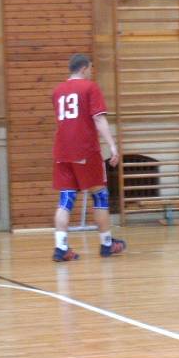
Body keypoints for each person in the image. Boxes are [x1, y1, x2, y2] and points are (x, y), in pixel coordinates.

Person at [51, 54, 126, 262]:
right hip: (84, 150)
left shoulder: (57, 91)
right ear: (84, 68)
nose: (92, 72)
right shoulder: (89, 87)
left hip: (62, 152)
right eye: (91, 68)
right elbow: (99, 119)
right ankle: (107, 244)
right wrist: (112, 146)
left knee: (66, 199)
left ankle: (60, 247)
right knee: (100, 195)